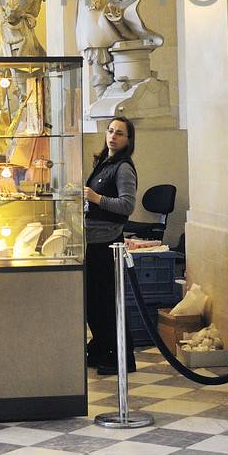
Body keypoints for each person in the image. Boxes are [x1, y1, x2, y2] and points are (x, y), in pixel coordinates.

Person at [84, 116, 139, 376]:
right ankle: (100, 349)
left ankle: (119, 357)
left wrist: (96, 198)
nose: (113, 136)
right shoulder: (103, 163)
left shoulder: (123, 168)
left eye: (119, 133)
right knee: (93, 302)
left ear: (128, 140)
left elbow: (127, 205)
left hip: (108, 242)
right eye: (110, 131)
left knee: (107, 303)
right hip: (93, 239)